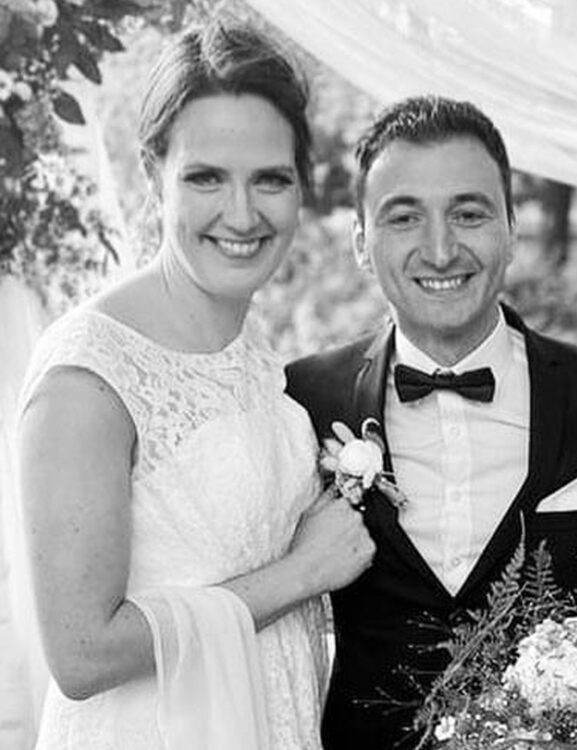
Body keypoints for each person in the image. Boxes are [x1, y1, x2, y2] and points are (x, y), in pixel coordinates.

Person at [16, 21, 375, 750]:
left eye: (270, 179)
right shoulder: (89, 376)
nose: (241, 214)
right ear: (154, 174)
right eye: (205, 177)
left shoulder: (251, 347)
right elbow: (81, 654)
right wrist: (302, 573)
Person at [285, 95, 577, 749]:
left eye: (469, 213)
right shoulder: (304, 399)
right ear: (361, 242)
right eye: (404, 217)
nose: (440, 249)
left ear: (511, 230)